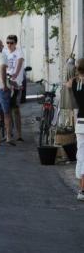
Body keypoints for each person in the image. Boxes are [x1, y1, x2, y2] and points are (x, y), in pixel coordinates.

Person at [65, 58, 84, 201]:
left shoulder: (76, 82)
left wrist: (74, 71)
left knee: (81, 156)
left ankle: (82, 190)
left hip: (80, 122)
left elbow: (67, 83)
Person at [3, 34, 25, 141]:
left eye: (11, 43)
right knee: (7, 109)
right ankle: (8, 132)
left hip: (16, 83)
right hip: (7, 82)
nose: (9, 45)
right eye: (7, 42)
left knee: (15, 109)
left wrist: (16, 73)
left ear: (15, 43)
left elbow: (20, 62)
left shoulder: (19, 52)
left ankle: (19, 134)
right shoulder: (5, 52)